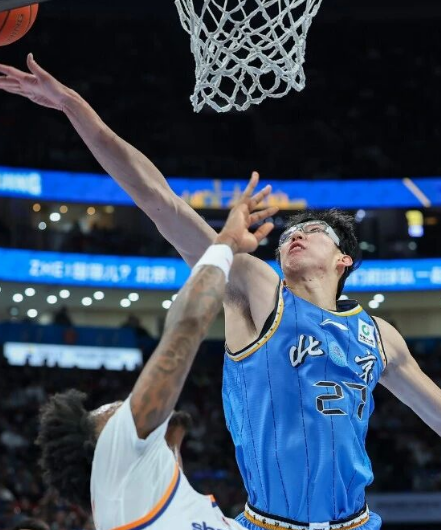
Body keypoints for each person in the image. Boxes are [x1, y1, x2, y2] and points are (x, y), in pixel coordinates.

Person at [0, 55, 441, 529]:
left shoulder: (378, 337)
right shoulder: (255, 289)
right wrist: (75, 108)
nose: (294, 235)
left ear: (344, 260)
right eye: (289, 232)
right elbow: (159, 202)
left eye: (312, 231)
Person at [34, 178, 275, 530]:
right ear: (103, 449)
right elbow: (187, 325)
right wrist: (226, 243)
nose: (128, 406)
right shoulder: (116, 466)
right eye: (116, 412)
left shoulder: (204, 514)